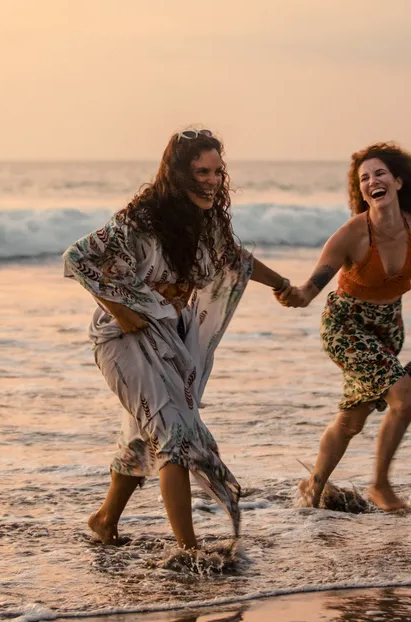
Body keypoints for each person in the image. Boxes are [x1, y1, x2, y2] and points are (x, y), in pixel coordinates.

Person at [63, 129, 291, 549]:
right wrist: (120, 310)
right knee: (172, 435)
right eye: (201, 172)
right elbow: (77, 258)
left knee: (140, 436)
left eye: (218, 172)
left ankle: (104, 519)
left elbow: (234, 259)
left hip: (170, 337)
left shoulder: (205, 222)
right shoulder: (139, 221)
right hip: (121, 338)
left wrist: (282, 284)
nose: (212, 181)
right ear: (177, 174)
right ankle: (190, 550)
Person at [277, 143, 411, 511]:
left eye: (380, 173)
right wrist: (296, 294)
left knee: (351, 419)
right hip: (346, 327)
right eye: (364, 178)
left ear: (399, 181)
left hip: (387, 329)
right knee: (407, 399)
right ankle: (381, 486)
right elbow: (311, 287)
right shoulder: (351, 236)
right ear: (361, 191)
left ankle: (313, 485)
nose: (372, 180)